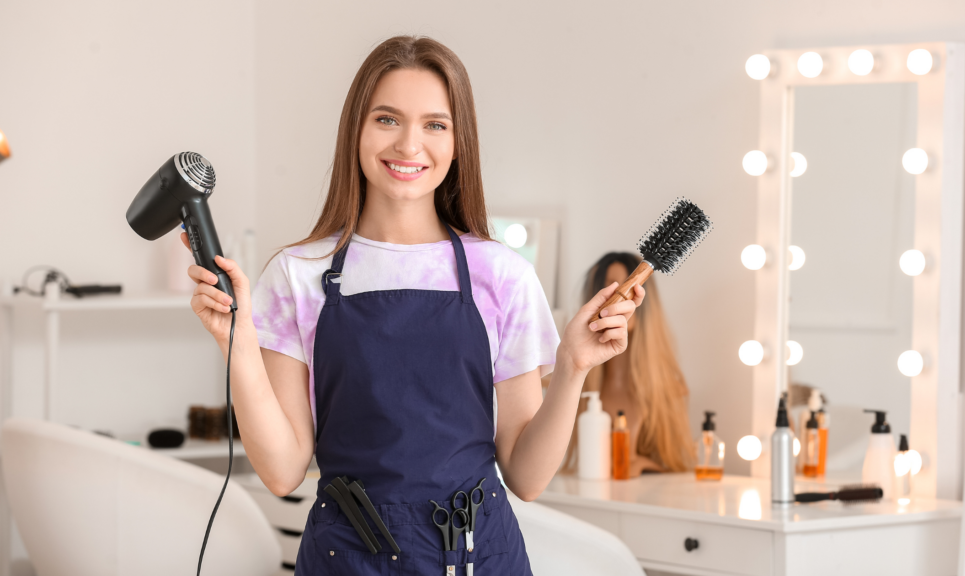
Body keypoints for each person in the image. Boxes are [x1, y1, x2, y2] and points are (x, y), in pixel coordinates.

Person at [181, 36, 643, 575]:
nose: (408, 144)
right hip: (347, 557)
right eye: (386, 119)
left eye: (435, 124)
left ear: (458, 141)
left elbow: (527, 476)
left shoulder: (502, 274)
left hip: (478, 556)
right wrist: (233, 343)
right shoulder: (297, 274)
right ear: (356, 128)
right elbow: (283, 472)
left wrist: (572, 367)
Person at [561, 252, 696, 478]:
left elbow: (677, 464)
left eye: (626, 289)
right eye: (607, 291)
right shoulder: (573, 389)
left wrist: (639, 462)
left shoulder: (671, 390)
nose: (619, 301)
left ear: (644, 298)